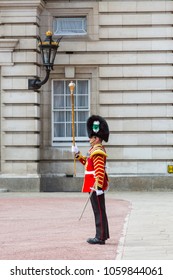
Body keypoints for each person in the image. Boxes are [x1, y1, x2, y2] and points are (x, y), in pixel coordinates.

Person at [72, 115, 110, 245]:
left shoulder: (98, 151)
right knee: (99, 211)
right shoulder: (94, 150)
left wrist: (98, 187)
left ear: (96, 138)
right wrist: (78, 154)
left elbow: (99, 170)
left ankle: (100, 237)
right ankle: (102, 235)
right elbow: (88, 165)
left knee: (99, 211)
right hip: (93, 185)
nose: (90, 139)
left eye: (91, 137)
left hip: (95, 186)